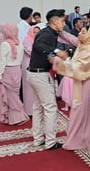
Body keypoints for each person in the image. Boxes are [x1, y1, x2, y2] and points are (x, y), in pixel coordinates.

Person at [27, 9, 68, 150]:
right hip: (40, 75)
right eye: (62, 21)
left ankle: (38, 139)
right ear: (54, 21)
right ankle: (50, 142)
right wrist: (56, 52)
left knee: (38, 108)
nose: (64, 24)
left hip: (35, 73)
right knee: (50, 108)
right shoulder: (46, 33)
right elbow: (38, 46)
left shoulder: (51, 33)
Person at [54, 25, 90, 151]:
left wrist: (59, 60)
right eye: (80, 31)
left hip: (87, 84)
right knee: (78, 110)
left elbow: (77, 69)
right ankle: (77, 137)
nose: (79, 34)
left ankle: (83, 139)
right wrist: (60, 31)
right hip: (80, 83)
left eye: (83, 32)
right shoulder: (83, 45)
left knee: (81, 112)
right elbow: (72, 39)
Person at [0, 23, 29, 125]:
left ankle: (18, 117)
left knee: (10, 95)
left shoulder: (5, 44)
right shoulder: (19, 43)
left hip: (8, 71)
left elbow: (2, 61)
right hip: (17, 70)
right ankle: (14, 117)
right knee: (15, 94)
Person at [21, 25, 41, 116]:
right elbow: (30, 52)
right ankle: (29, 111)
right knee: (28, 89)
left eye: (38, 32)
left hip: (38, 67)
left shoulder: (40, 41)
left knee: (37, 89)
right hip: (28, 66)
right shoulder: (26, 40)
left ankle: (37, 110)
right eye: (34, 32)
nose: (36, 34)